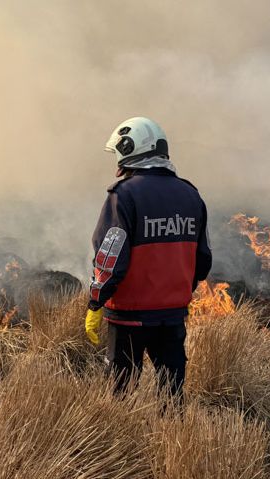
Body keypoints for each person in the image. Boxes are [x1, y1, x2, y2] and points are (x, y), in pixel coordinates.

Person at [84, 116, 212, 398]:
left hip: (129, 316)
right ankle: (172, 441)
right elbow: (202, 261)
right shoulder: (191, 195)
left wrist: (96, 302)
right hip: (172, 316)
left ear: (129, 149)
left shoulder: (124, 195)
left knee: (120, 394)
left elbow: (109, 260)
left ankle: (122, 442)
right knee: (172, 395)